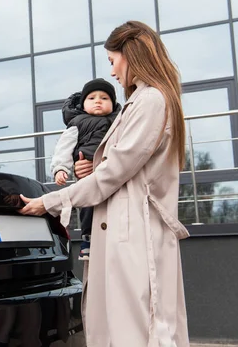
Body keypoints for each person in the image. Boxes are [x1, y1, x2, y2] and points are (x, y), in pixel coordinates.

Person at [18, 21, 191, 347]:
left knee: (139, 330)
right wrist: (91, 168)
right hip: (125, 232)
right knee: (129, 327)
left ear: (129, 53)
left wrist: (50, 201)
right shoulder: (142, 101)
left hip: (134, 236)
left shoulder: (151, 100)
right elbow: (118, 169)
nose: (112, 73)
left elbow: (114, 174)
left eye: (113, 61)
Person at [50, 78, 121, 260]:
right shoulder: (77, 124)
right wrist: (60, 168)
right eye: (92, 98)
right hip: (88, 175)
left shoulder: (120, 122)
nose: (98, 101)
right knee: (88, 205)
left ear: (113, 104)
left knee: (113, 205)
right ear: (83, 105)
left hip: (111, 173)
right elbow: (63, 148)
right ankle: (87, 239)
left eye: (104, 98)